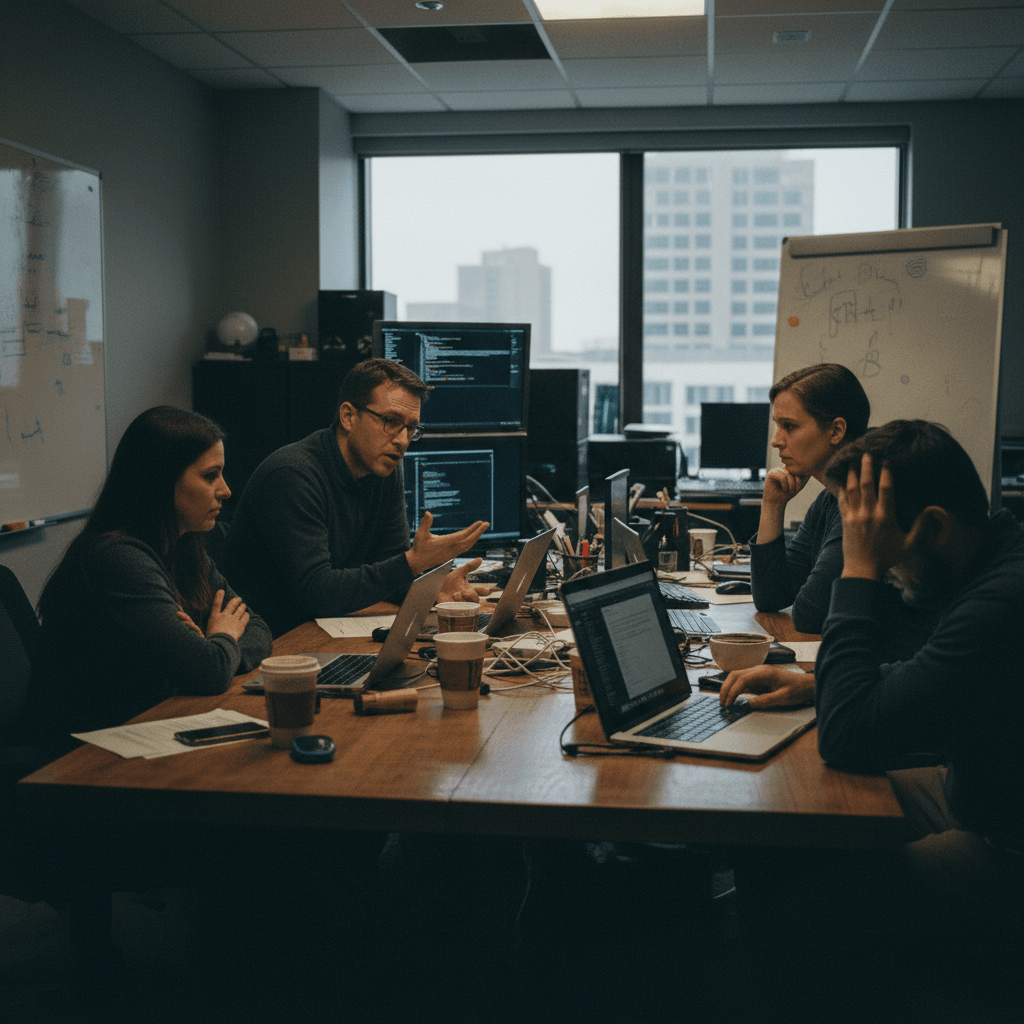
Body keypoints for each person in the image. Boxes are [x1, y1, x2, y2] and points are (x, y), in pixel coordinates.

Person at [725, 420, 1024, 926]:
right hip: (976, 793)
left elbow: (848, 737)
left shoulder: (1004, 600)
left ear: (935, 526)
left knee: (805, 897)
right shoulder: (992, 557)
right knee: (779, 821)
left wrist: (858, 568)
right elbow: (927, 672)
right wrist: (814, 685)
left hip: (1002, 844)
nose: (883, 568)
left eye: (875, 544)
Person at [32, 406, 272, 739]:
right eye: (209, 476)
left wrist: (214, 647)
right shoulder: (117, 559)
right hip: (84, 752)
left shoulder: (185, 546)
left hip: (151, 722)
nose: (225, 490)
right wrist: (220, 642)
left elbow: (258, 629)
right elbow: (208, 671)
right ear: (161, 481)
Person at [223, 358, 488, 637]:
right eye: (391, 422)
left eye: (411, 428)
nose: (402, 440)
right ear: (348, 416)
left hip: (323, 630)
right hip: (271, 642)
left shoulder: (384, 471)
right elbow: (317, 591)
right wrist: (413, 563)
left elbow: (389, 569)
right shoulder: (292, 475)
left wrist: (432, 587)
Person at [749, 362, 870, 633]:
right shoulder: (830, 498)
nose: (776, 441)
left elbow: (809, 613)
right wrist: (772, 506)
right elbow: (771, 597)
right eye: (777, 426)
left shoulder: (861, 500)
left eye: (789, 426)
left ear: (836, 431)